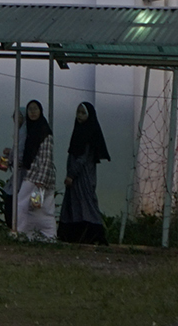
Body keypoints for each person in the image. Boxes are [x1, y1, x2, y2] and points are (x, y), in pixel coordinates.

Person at [58, 101, 111, 243]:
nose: (79, 116)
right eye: (78, 112)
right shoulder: (79, 131)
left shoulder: (88, 133)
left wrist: (71, 175)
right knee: (75, 204)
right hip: (77, 177)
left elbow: (82, 158)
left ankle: (94, 236)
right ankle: (75, 236)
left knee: (86, 203)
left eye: (83, 113)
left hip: (83, 177)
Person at [10, 99, 57, 241]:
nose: (32, 112)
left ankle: (23, 233)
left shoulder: (44, 132)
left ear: (41, 111)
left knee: (23, 204)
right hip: (35, 175)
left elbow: (46, 158)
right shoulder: (32, 130)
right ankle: (43, 236)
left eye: (35, 109)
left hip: (38, 176)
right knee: (40, 208)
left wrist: (40, 181)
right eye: (30, 109)